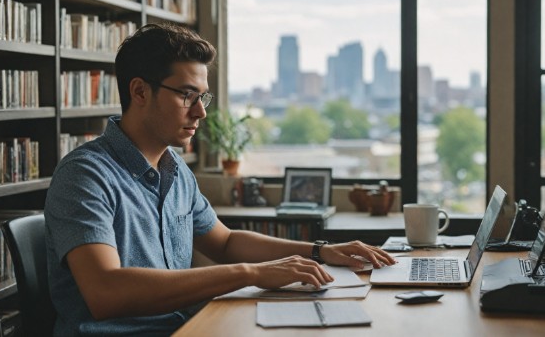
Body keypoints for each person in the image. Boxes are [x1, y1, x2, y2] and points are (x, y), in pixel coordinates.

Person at [44, 23, 395, 336]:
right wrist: (249, 274)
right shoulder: (85, 175)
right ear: (139, 92)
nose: (201, 111)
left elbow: (225, 243)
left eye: (203, 97)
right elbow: (106, 292)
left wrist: (320, 251)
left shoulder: (176, 171)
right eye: (187, 95)